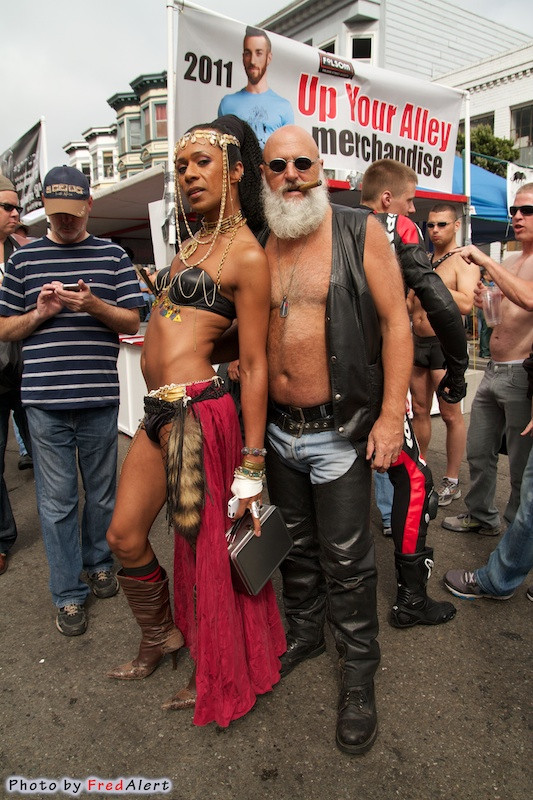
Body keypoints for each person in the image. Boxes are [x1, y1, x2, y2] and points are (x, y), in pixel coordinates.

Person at [105, 115, 286, 729]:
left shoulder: (247, 255)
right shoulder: (190, 243)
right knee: (124, 536)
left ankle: (218, 669)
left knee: (206, 559)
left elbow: (257, 363)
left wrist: (253, 465)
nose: (188, 175)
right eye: (182, 167)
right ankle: (162, 635)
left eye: (201, 163)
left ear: (236, 171)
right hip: (158, 411)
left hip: (198, 416)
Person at [257, 127, 413, 755]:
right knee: (294, 548)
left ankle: (357, 678)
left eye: (303, 162)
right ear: (264, 176)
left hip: (340, 430)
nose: (292, 173)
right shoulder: (262, 242)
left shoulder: (358, 231)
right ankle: (303, 634)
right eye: (278, 165)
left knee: (349, 562)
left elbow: (397, 321)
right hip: (277, 430)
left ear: (321, 169)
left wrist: (389, 416)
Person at [0, 165, 144, 630]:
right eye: (56, 213)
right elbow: (3, 327)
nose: (65, 222)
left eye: (73, 213)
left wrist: (94, 306)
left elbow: (133, 322)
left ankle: (100, 562)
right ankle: (67, 591)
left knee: (102, 494)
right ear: (43, 207)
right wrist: (39, 315)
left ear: (89, 205)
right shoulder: (22, 261)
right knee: (57, 501)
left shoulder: (113, 255)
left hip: (99, 398)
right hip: (44, 402)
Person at [359, 160, 467, 628]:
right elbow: (437, 299)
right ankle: (410, 601)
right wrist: (459, 366)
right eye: (410, 200)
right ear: (388, 200)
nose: (414, 209)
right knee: (416, 481)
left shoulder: (329, 223)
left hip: (324, 384)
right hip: (380, 375)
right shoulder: (393, 225)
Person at [443, 235, 533, 601]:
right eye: (515, 209)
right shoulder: (511, 259)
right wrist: (484, 303)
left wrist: (483, 259)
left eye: (527, 209)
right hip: (495, 369)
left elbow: (527, 299)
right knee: (479, 451)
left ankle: (517, 540)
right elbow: (504, 310)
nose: (518, 216)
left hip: (523, 374)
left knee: (522, 472)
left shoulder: (503, 263)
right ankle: (482, 516)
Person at [410, 203, 479, 506]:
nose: (435, 230)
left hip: (443, 345)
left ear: (456, 226)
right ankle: (421, 469)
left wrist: (430, 281)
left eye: (442, 224)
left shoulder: (464, 261)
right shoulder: (424, 259)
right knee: (420, 410)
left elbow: (466, 305)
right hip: (417, 343)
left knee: (451, 414)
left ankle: (451, 479)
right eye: (431, 225)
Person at [0, 175, 33, 575]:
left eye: (16, 207)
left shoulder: (24, 254)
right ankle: (3, 538)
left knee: (50, 457)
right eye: (6, 207)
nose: (15, 213)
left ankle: (62, 528)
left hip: (28, 373)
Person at [217, 26, 293, 149]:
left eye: (259, 53)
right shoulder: (227, 103)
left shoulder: (284, 106)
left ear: (269, 58)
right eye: (248, 53)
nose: (252, 60)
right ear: (243, 57)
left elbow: (288, 151)